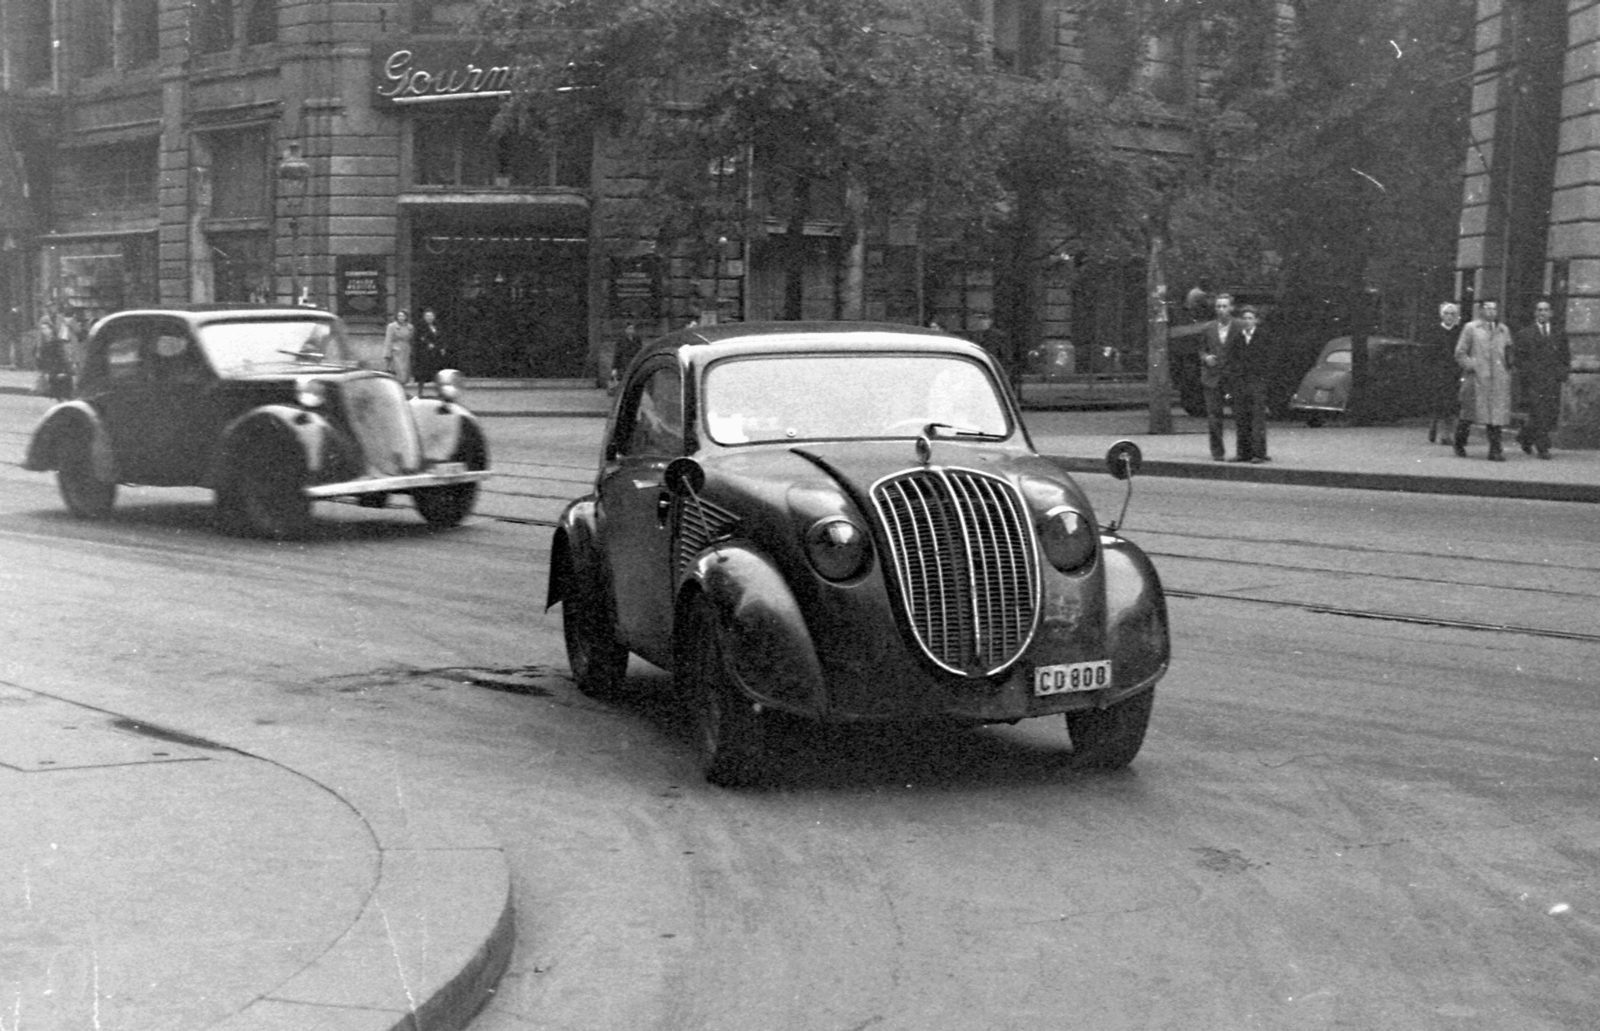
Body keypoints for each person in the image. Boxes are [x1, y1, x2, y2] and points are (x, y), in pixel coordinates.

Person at [1453, 299, 1514, 461]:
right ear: (1480, 311)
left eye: (1494, 309)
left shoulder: (1503, 330)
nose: (1491, 312)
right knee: (1468, 414)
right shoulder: (1471, 328)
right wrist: (1472, 366)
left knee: (1496, 417)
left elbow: (1509, 352)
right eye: (1487, 308)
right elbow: (1460, 352)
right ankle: (1459, 442)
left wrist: (1508, 369)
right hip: (1477, 379)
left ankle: (1495, 450)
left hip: (1497, 380)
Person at [1514, 298, 1570, 459]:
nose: (1542, 313)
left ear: (1550, 313)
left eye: (1545, 310)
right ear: (1535, 313)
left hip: (1552, 380)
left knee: (1548, 412)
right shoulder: (1525, 334)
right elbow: (1519, 359)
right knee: (1539, 413)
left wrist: (1562, 373)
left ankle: (1524, 437)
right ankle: (1543, 447)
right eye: (1539, 310)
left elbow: (1565, 356)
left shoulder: (1559, 333)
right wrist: (1528, 374)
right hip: (1533, 381)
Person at [1199, 293, 1238, 461]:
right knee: (1214, 416)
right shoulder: (1208, 328)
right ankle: (1217, 451)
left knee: (1240, 413)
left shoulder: (1239, 327)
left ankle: (1244, 450)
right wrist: (1206, 358)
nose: (1221, 310)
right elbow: (1201, 350)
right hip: (1213, 378)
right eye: (1218, 306)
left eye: (1224, 306)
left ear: (1231, 308)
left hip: (1232, 378)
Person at [1229, 305, 1270, 463]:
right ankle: (1242, 452)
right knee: (1241, 417)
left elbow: (1267, 359)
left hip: (1257, 382)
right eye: (1244, 318)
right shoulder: (1238, 338)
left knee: (1257, 418)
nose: (1247, 321)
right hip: (1241, 383)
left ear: (1256, 321)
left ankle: (1258, 453)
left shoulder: (1263, 337)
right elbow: (1232, 359)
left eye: (1250, 318)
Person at [1424, 301, 1462, 444]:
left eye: (1452, 314)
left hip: (1454, 372)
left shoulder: (1459, 333)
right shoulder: (1434, 331)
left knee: (1452, 403)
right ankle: (1436, 427)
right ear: (1441, 315)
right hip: (1438, 371)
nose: (1449, 317)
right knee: (1439, 402)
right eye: (1446, 313)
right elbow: (1428, 354)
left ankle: (1448, 433)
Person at [414, 307, 448, 396]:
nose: (429, 318)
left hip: (436, 352)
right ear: (424, 317)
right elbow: (420, 337)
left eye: (431, 316)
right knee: (423, 372)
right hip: (425, 352)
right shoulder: (420, 326)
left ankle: (439, 392)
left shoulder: (437, 326)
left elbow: (441, 337)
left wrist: (442, 347)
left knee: (437, 372)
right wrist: (427, 343)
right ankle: (420, 391)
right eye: (427, 316)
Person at [608, 321, 643, 393]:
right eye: (629, 329)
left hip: (635, 362)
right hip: (624, 364)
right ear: (625, 330)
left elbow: (640, 351)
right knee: (624, 381)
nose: (631, 330)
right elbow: (617, 354)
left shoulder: (637, 339)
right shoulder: (621, 340)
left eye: (633, 329)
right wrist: (614, 368)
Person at [384, 308, 414, 388]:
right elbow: (388, 340)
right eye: (399, 316)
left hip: (406, 349)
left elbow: (411, 338)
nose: (401, 318)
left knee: (406, 369)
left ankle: (404, 386)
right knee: (399, 369)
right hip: (396, 349)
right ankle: (399, 384)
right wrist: (387, 353)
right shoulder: (392, 326)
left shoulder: (410, 327)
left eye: (403, 316)